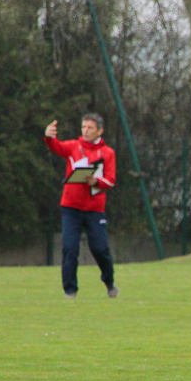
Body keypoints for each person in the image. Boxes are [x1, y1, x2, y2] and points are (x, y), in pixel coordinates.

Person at [43, 114, 118, 299]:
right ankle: (70, 291)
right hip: (71, 207)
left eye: (90, 128)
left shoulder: (107, 153)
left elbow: (110, 180)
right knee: (70, 248)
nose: (85, 131)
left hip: (94, 208)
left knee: (100, 248)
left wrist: (96, 182)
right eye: (83, 127)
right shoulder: (73, 147)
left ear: (100, 131)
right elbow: (56, 146)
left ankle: (109, 282)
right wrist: (48, 136)